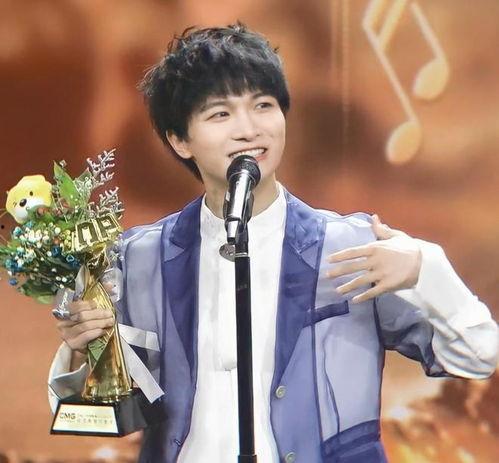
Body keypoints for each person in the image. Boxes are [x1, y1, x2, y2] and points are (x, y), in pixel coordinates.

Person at [48, 24, 498, 463]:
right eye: (220, 114)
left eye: (263, 106)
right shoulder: (139, 257)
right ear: (180, 140)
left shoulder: (349, 246)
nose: (249, 129)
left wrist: (426, 267)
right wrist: (79, 348)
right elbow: (100, 415)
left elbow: (480, 358)